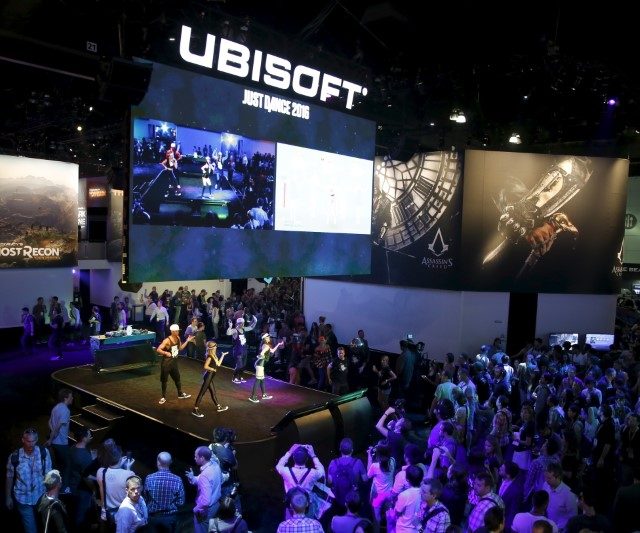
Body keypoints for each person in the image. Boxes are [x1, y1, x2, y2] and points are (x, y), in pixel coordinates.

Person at [6, 428, 53, 533]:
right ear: (23, 440)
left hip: (41, 495)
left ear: (37, 440)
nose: (31, 444)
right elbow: (9, 477)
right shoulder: (14, 457)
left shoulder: (44, 453)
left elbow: (49, 474)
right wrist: (8, 497)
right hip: (23, 499)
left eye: (33, 441)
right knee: (30, 529)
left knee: (46, 525)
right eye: (28, 441)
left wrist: (52, 492)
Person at [275, 444, 325, 519]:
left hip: (291, 506)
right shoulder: (312, 473)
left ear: (293, 457)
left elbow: (278, 466)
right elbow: (321, 471)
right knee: (309, 524)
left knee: (290, 525)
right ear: (307, 459)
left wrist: (289, 452)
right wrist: (313, 455)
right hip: (307, 506)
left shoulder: (286, 471)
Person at [143, 451, 185, 533]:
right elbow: (181, 502)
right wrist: (170, 505)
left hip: (153, 518)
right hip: (170, 518)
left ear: (158, 462)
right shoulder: (178, 480)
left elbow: (145, 498)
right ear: (171, 462)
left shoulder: (149, 478)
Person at [186, 446, 223, 533]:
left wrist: (196, 509)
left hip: (206, 510)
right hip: (216, 505)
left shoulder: (205, 475)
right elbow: (219, 480)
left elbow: (206, 501)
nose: (194, 458)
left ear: (202, 458)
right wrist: (192, 478)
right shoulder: (215, 465)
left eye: (196, 456)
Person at [155, 324, 193, 405]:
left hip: (174, 363)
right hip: (166, 364)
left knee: (177, 379)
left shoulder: (178, 338)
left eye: (178, 331)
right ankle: (163, 397)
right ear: (172, 332)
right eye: (176, 331)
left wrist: (187, 341)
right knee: (164, 380)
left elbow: (180, 348)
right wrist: (165, 353)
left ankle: (180, 394)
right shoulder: (167, 340)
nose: (178, 332)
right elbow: (158, 349)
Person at [327, 438, 367, 511]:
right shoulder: (358, 462)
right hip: (352, 502)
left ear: (340, 449)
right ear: (352, 450)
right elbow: (365, 479)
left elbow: (329, 482)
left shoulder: (333, 463)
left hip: (337, 500)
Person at [46, 388, 73, 491]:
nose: (72, 398)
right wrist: (51, 438)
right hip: (61, 443)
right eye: (71, 396)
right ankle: (64, 489)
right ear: (66, 398)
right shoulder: (65, 410)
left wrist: (52, 435)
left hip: (55, 442)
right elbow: (58, 427)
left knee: (58, 465)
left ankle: (56, 487)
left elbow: (49, 422)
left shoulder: (56, 407)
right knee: (67, 465)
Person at [192, 342, 229, 418]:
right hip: (208, 376)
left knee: (213, 393)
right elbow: (205, 366)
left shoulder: (214, 355)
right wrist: (213, 369)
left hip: (210, 377)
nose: (216, 347)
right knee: (202, 393)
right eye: (216, 346)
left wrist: (223, 355)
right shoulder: (209, 357)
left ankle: (219, 407)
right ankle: (195, 409)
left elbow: (218, 364)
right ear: (213, 347)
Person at [248, 333, 284, 403]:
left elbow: (272, 351)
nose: (269, 338)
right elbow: (262, 353)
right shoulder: (266, 346)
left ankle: (264, 395)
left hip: (260, 364)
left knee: (262, 380)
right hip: (260, 365)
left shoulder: (266, 345)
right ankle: (253, 397)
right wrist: (261, 356)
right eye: (268, 337)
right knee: (258, 380)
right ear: (265, 338)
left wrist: (278, 344)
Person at [227, 316, 257, 384]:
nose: (243, 324)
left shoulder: (243, 329)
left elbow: (251, 327)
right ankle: (234, 378)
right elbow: (228, 333)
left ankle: (240, 377)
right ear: (238, 323)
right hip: (238, 351)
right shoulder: (235, 330)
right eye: (241, 323)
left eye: (243, 323)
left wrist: (255, 321)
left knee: (243, 365)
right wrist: (230, 326)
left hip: (244, 350)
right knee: (239, 365)